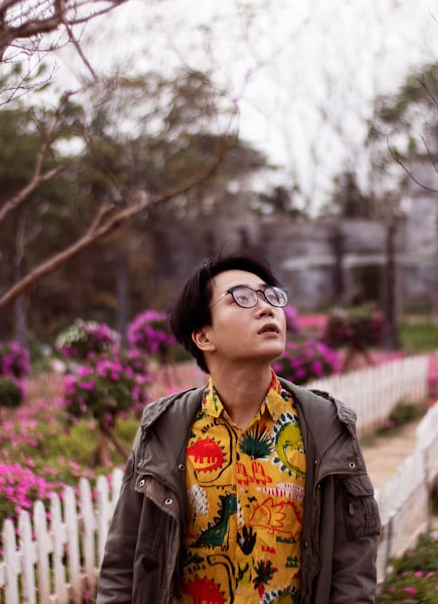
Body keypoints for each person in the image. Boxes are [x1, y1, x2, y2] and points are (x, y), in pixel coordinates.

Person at [96, 253, 380, 603]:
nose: (266, 308)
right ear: (203, 336)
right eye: (242, 298)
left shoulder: (325, 424)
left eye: (270, 295)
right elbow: (123, 561)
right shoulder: (165, 427)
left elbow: (354, 564)